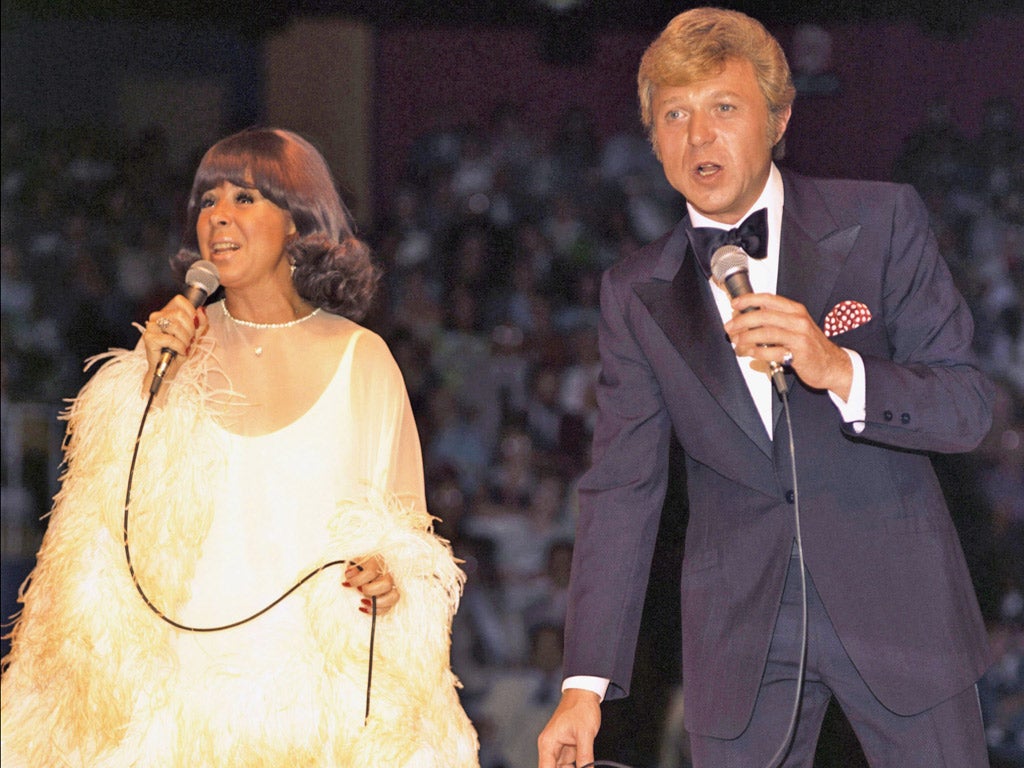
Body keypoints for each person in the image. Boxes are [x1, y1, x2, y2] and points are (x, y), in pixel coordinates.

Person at [537, 8, 994, 768]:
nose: (698, 136)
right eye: (674, 115)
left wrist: (838, 370)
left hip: (901, 613)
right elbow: (621, 488)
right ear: (652, 138)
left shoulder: (881, 220)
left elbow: (969, 409)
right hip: (738, 637)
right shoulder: (633, 292)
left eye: (724, 108)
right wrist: (585, 686)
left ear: (779, 118)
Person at [1, 127, 479, 767]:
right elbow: (97, 540)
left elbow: (407, 539)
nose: (218, 216)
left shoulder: (362, 360)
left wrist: (389, 579)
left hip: (313, 704)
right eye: (207, 200)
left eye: (245, 197)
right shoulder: (170, 358)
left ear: (297, 223)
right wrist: (142, 387)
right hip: (176, 696)